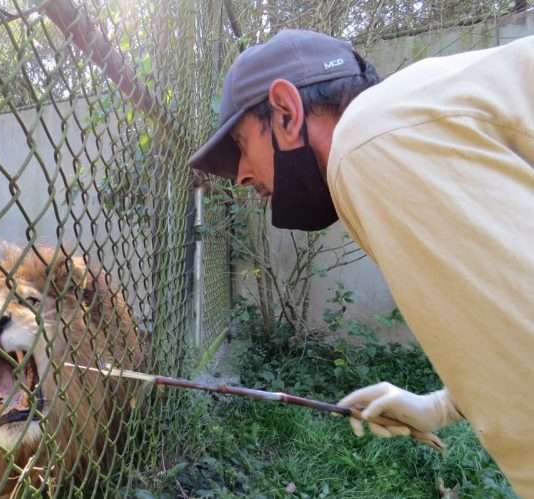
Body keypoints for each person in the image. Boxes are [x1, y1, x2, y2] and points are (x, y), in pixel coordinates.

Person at [188, 29, 534, 497]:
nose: (242, 174)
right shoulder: (404, 121)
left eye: (242, 146)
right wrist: (442, 406)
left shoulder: (368, 140)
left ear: (286, 112)